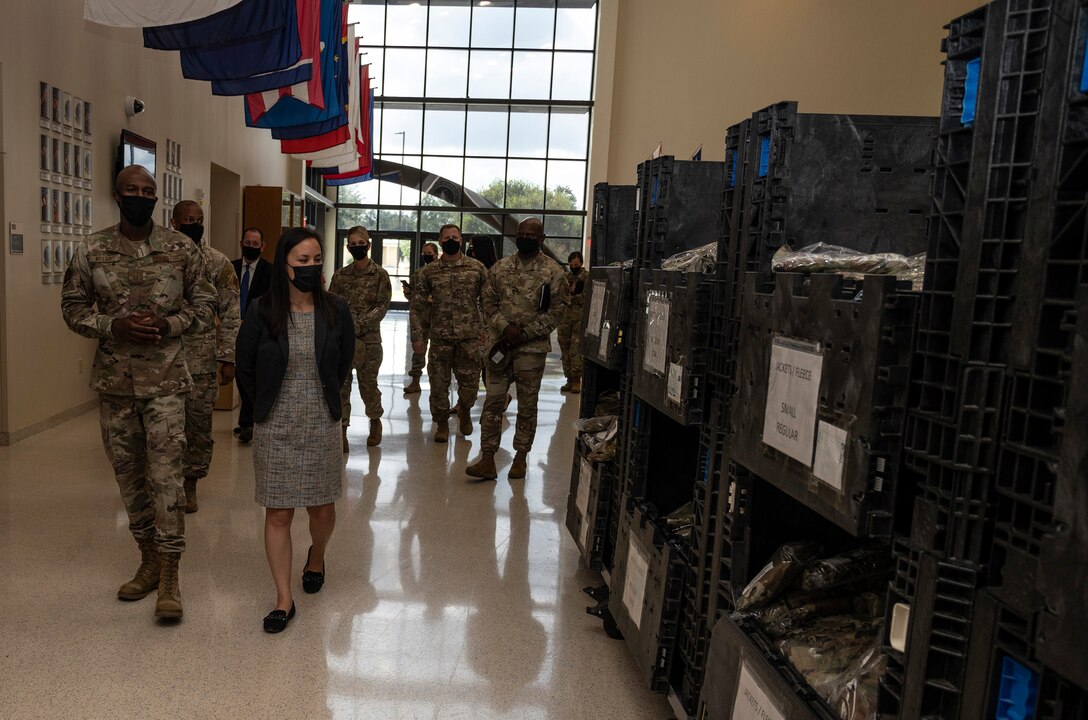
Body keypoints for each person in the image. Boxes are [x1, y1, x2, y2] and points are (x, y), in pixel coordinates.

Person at [60, 164, 216, 620]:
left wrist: (170, 324)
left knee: (167, 478)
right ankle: (147, 559)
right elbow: (71, 307)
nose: (140, 196)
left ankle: (171, 576)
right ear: (117, 194)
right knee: (128, 478)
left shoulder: (181, 248)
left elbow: (205, 304)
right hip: (115, 384)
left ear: (156, 199)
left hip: (167, 380)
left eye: (148, 191)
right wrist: (114, 325)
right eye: (132, 189)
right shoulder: (93, 249)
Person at [235, 227, 355, 633]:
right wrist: (265, 409)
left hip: (321, 423)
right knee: (279, 512)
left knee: (322, 508)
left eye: (317, 260)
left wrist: (323, 405)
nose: (311, 268)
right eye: (302, 261)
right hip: (276, 427)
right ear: (284, 263)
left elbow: (342, 366)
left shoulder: (337, 310)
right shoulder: (260, 311)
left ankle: (317, 555)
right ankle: (284, 599)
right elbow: (246, 368)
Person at [466, 218, 569, 480]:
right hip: (500, 346)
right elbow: (487, 301)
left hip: (531, 350)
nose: (525, 237)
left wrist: (524, 334)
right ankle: (487, 457)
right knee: (492, 402)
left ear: (541, 239)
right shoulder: (500, 268)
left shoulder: (553, 272)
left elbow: (557, 311)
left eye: (531, 235)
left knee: (527, 405)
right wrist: (504, 328)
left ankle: (521, 457)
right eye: (521, 233)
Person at [170, 201, 241, 513]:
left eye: (199, 220)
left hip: (201, 361)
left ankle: (190, 483)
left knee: (197, 427)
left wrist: (228, 357)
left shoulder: (217, 262)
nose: (193, 224)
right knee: (163, 428)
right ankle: (164, 483)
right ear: (173, 222)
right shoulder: (157, 258)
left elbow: (231, 313)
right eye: (187, 220)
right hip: (161, 362)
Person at [409, 224, 489, 443]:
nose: (451, 240)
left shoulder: (477, 268)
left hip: (470, 338)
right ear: (440, 241)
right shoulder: (428, 272)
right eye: (447, 237)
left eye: (455, 237)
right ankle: (441, 423)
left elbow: (490, 302)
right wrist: (417, 336)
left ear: (461, 240)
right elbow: (417, 307)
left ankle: (464, 409)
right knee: (438, 385)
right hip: (440, 338)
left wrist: (487, 332)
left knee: (470, 384)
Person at [328, 226, 391, 450]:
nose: (357, 248)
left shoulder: (380, 275)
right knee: (342, 386)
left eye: (360, 244)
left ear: (369, 245)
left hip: (370, 341)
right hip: (344, 341)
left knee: (368, 385)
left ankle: (375, 421)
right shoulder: (340, 276)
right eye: (353, 245)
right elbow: (332, 305)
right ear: (348, 247)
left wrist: (361, 324)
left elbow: (382, 305)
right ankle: (342, 430)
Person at [232, 227, 272, 443]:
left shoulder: (270, 271)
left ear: (262, 246)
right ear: (241, 243)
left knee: (251, 374)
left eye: (255, 244)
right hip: (232, 327)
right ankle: (246, 422)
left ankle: (250, 422)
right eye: (247, 242)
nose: (251, 246)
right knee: (239, 373)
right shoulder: (231, 267)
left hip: (257, 330)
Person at [402, 241, 438, 395]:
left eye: (429, 254)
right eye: (425, 253)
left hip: (439, 319)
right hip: (422, 319)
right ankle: (415, 382)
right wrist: (407, 291)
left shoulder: (441, 272)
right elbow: (412, 298)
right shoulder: (418, 274)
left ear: (436, 254)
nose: (426, 256)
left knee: (438, 354)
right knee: (418, 352)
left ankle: (438, 386)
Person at [558, 250, 586, 394]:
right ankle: (568, 379)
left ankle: (576, 380)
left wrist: (573, 297)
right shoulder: (566, 277)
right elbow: (560, 295)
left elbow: (587, 298)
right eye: (572, 264)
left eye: (577, 264)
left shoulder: (586, 277)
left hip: (579, 320)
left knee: (575, 350)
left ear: (581, 263)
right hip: (564, 319)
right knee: (565, 349)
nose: (574, 266)